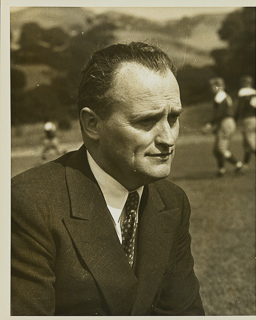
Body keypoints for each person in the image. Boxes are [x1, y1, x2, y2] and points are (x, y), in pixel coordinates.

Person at [11, 42, 205, 316]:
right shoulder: (29, 204)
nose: (168, 138)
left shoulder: (171, 201)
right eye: (146, 121)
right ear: (92, 124)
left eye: (173, 118)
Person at [204, 77, 242, 176]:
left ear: (217, 86)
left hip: (225, 122)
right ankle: (221, 170)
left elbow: (219, 113)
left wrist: (210, 124)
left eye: (212, 86)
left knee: (221, 149)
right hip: (227, 122)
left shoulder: (219, 96)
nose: (211, 89)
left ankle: (238, 164)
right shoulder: (224, 96)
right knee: (217, 150)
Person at [235, 75, 256, 171]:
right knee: (248, 145)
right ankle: (245, 165)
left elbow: (240, 107)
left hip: (247, 120)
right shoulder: (255, 92)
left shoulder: (242, 92)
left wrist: (235, 119)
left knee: (251, 144)